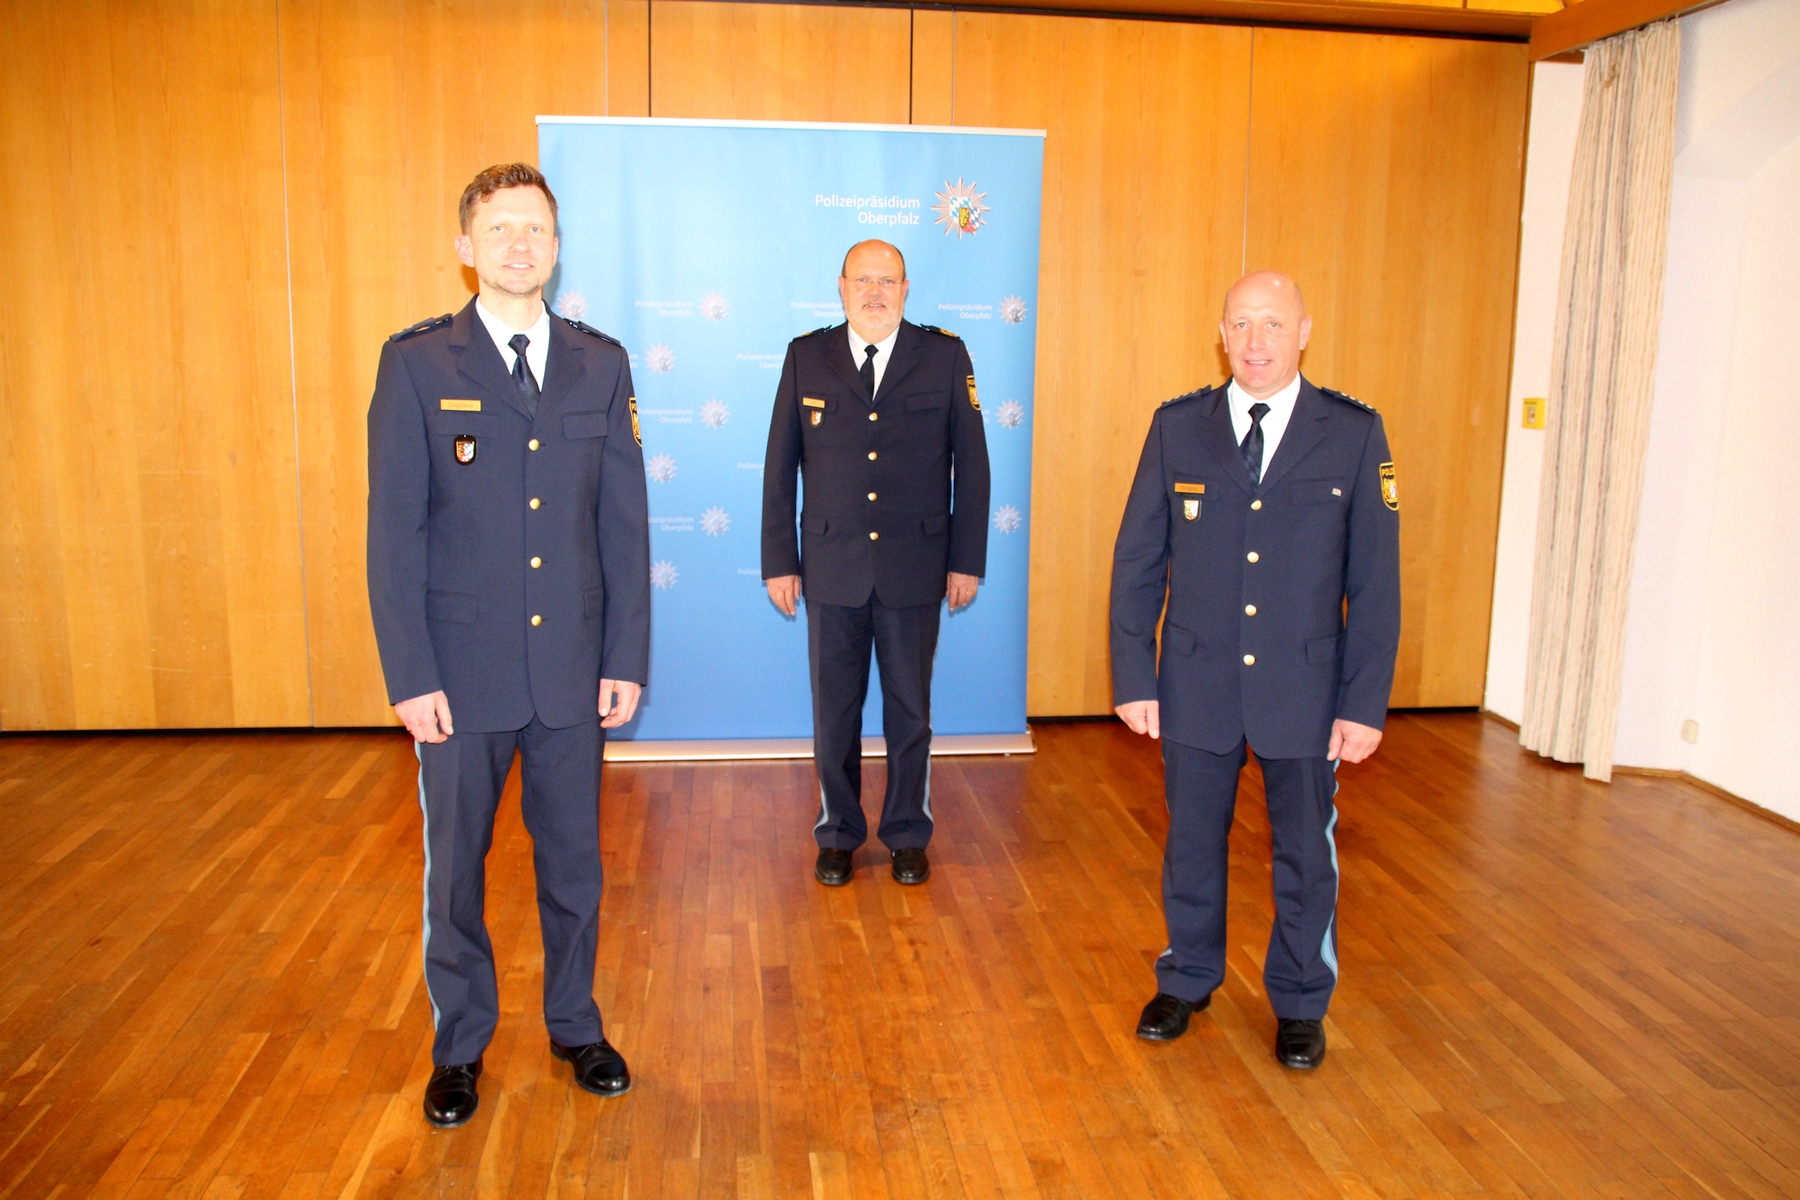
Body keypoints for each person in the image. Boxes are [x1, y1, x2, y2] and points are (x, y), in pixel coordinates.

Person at [366, 163, 650, 1127]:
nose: (520, 245)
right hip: (459, 675)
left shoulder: (600, 364)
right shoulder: (416, 365)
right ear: (465, 249)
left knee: (574, 866)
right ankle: (460, 1048)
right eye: (500, 230)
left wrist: (626, 657)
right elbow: (393, 533)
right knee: (456, 873)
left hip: (572, 671)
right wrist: (410, 675)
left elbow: (624, 524)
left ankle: (575, 1025)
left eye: (536, 229)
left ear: (557, 248)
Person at [1109, 270, 1400, 1070]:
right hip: (1196, 681)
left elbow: (1376, 581)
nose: (1256, 341)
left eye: (1273, 324)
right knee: (1191, 843)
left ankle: (1302, 1000)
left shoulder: (1352, 433)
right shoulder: (1178, 429)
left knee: (1307, 853)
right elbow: (1138, 557)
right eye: (1241, 324)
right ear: (1221, 333)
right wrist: (1134, 674)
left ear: (1304, 332)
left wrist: (1365, 702)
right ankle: (1188, 977)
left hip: (1307, 691)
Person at [761, 239, 991, 888]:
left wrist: (966, 560)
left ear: (906, 288)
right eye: (862, 279)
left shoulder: (944, 357)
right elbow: (781, 466)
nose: (874, 291)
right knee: (833, 713)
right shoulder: (807, 356)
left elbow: (971, 469)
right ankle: (837, 833)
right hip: (831, 566)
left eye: (886, 280)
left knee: (909, 712)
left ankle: (907, 834)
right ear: (840, 286)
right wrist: (781, 560)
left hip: (916, 568)